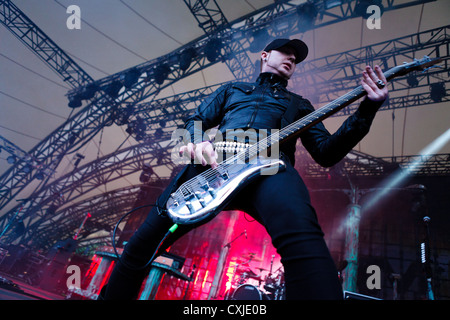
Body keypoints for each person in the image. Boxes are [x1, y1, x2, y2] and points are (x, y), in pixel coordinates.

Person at [100, 38, 388, 300]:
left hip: (270, 168)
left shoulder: (299, 105)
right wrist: (197, 140)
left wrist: (368, 109)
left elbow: (327, 153)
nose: (292, 58)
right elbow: (194, 120)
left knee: (305, 242)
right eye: (286, 52)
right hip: (211, 166)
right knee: (140, 247)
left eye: (296, 58)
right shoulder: (232, 90)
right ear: (265, 55)